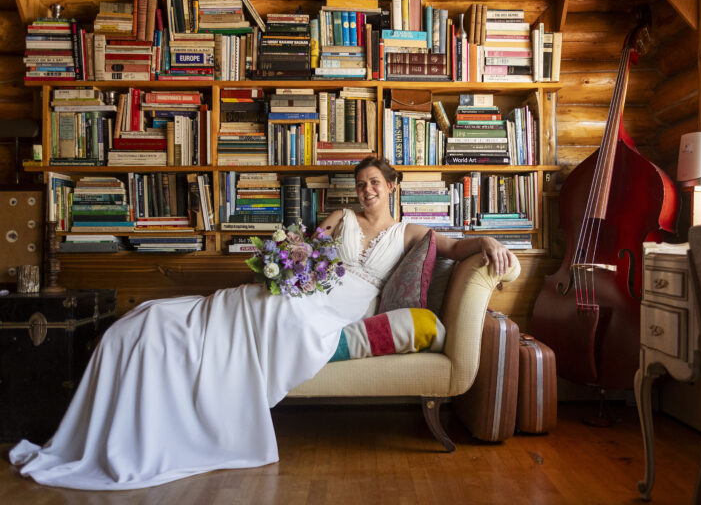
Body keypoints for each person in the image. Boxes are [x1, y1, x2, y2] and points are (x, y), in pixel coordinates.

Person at [10, 157, 514, 490]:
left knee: (284, 312)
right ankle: (184, 325)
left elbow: (456, 248)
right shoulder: (340, 218)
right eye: (361, 185)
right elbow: (302, 249)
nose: (366, 192)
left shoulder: (412, 231)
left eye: (375, 184)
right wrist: (292, 262)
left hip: (352, 303)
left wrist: (487, 242)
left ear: (392, 187)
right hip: (315, 286)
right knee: (260, 301)